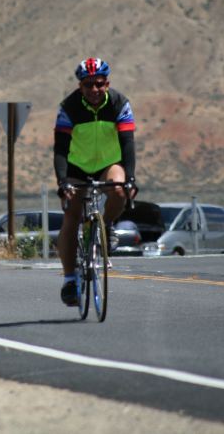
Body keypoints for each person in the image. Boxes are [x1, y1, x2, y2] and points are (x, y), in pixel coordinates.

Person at [53, 57, 137, 306]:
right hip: (76, 167)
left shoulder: (120, 104)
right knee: (71, 217)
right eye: (88, 85)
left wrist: (130, 178)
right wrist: (62, 182)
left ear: (107, 84)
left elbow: (128, 143)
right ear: (80, 86)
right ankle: (70, 279)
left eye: (99, 84)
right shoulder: (68, 107)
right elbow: (59, 149)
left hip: (108, 164)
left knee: (119, 191)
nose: (94, 90)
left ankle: (107, 225)